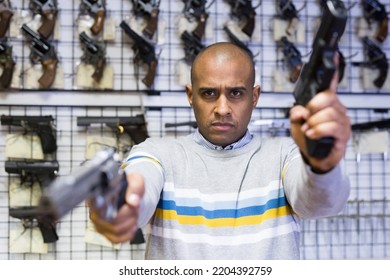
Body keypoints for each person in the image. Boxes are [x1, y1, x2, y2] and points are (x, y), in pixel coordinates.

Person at [89, 42, 351, 259]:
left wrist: (322, 163)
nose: (223, 108)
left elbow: (321, 204)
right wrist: (120, 204)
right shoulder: (157, 154)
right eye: (209, 93)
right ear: (190, 95)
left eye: (236, 93)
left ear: (254, 96)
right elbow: (138, 186)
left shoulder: (286, 155)